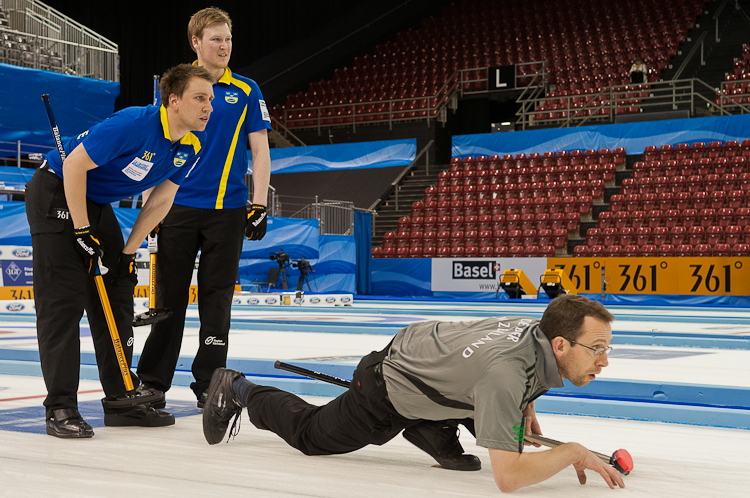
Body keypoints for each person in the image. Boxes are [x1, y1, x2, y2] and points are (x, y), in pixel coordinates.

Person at [203, 294, 626, 493]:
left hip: (428, 357)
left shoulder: (534, 328)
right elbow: (509, 478)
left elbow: (506, 374)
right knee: (312, 436)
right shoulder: (506, 376)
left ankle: (430, 423)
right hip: (388, 386)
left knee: (502, 415)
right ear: (559, 344)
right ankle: (238, 387)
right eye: (597, 349)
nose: (603, 361)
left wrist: (524, 405)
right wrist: (571, 451)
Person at [26, 63, 215, 438]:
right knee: (63, 301)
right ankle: (60, 406)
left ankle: (120, 399)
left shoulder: (194, 142)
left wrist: (128, 252)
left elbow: (161, 200)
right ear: (173, 101)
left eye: (209, 99)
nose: (209, 106)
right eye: (200, 98)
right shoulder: (133, 124)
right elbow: (75, 164)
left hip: (95, 203)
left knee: (118, 292)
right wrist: (80, 229)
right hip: (56, 190)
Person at [136, 7, 272, 409]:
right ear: (195, 42)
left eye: (228, 39)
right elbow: (156, 149)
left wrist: (260, 202)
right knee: (168, 301)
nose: (224, 46)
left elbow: (261, 150)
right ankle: (153, 382)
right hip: (175, 209)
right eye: (216, 39)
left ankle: (210, 385)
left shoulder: (246, 90)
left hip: (228, 212)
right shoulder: (175, 85)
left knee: (217, 302)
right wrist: (150, 212)